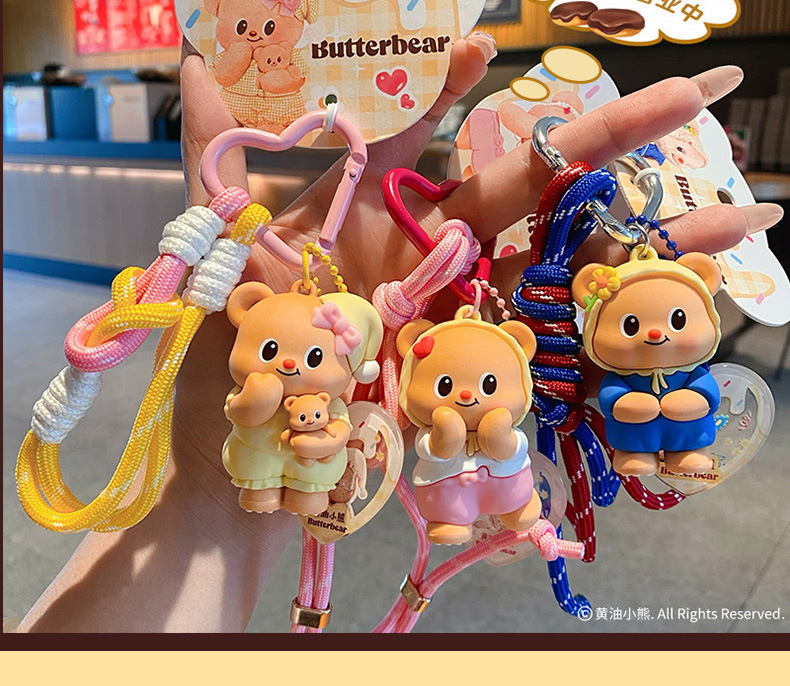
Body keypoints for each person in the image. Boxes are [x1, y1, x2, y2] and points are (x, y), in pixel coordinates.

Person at [15, 33, 782, 633]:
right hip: (282, 453)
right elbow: (278, 401)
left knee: (579, 434)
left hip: (463, 446)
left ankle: (525, 502)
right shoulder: (316, 345)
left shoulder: (491, 344)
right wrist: (212, 476)